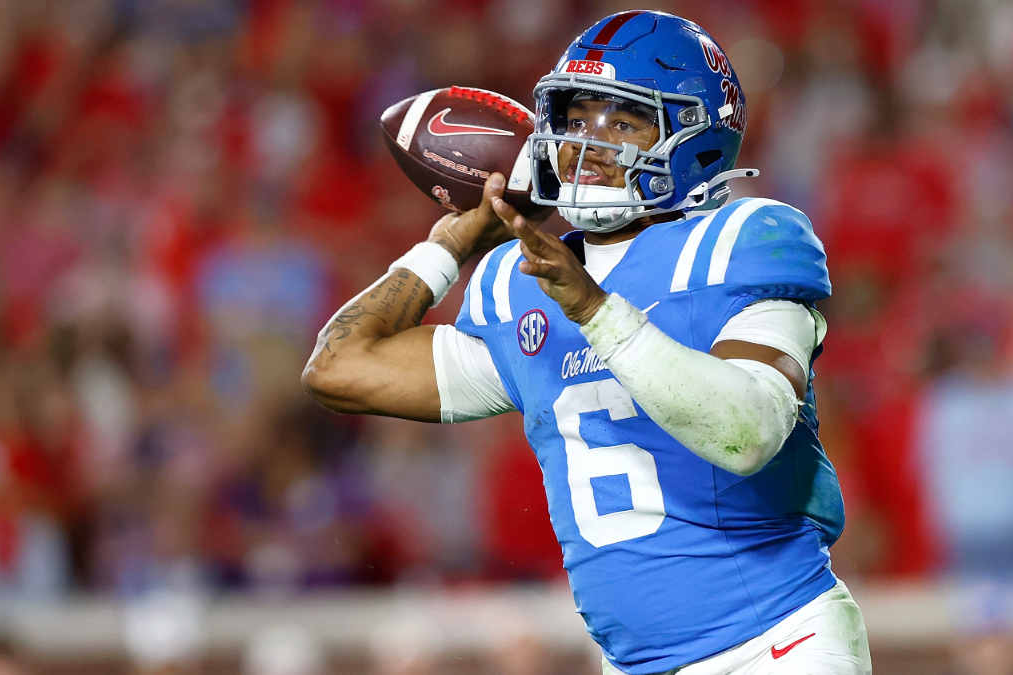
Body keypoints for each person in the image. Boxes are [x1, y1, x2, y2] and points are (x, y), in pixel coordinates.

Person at [303, 10, 871, 675]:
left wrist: (596, 312)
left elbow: (746, 433)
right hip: (630, 663)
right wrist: (448, 247)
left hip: (775, 642)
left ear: (696, 139)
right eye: (575, 120)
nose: (587, 144)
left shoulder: (739, 241)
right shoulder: (519, 283)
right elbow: (337, 368)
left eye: (622, 123)